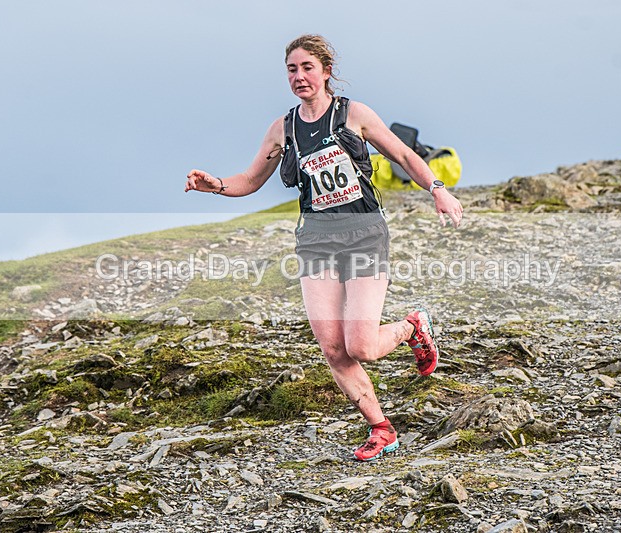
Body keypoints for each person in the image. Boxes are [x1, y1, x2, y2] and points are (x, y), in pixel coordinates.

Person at [185, 34, 464, 461]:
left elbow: (404, 156)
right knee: (333, 348)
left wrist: (438, 189)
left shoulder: (354, 114)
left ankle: (412, 326)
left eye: (307, 68)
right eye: (292, 70)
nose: (299, 77)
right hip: (315, 242)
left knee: (362, 346)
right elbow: (251, 179)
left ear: (326, 71)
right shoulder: (283, 128)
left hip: (364, 234)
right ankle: (381, 428)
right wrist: (217, 186)